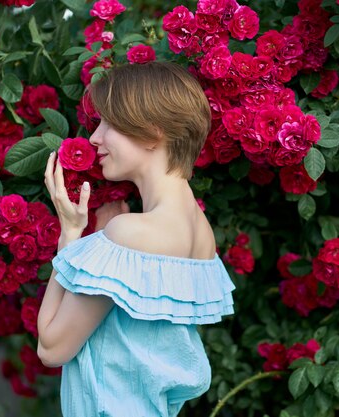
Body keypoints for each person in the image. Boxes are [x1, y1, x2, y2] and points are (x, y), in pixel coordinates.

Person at [37, 61, 235, 417]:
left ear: (152, 132)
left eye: (110, 123)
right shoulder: (202, 233)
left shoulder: (131, 234)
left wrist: (70, 236)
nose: (95, 137)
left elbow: (51, 348)